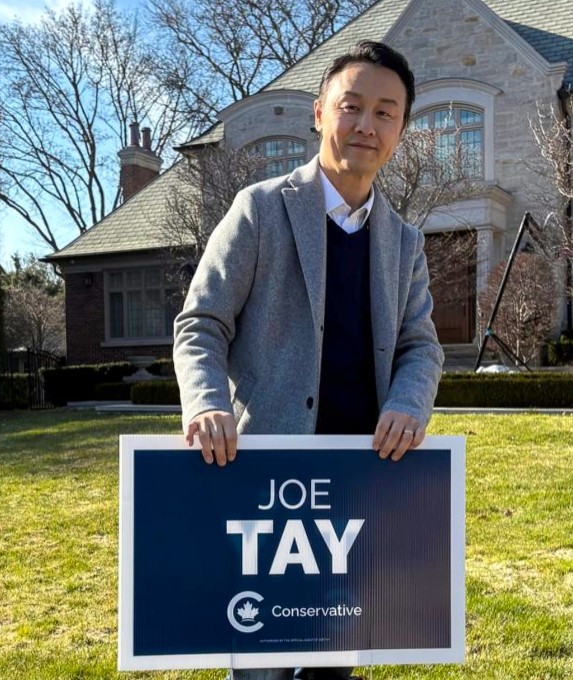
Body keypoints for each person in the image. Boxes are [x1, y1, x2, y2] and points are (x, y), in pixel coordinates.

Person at [172, 40, 444, 680]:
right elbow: (200, 324)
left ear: (401, 131)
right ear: (320, 112)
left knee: (334, 660)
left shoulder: (404, 242)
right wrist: (207, 402)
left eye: (386, 113)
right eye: (352, 106)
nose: (366, 125)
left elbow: (420, 346)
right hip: (265, 481)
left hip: (359, 483)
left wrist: (408, 403)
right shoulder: (260, 210)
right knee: (261, 660)